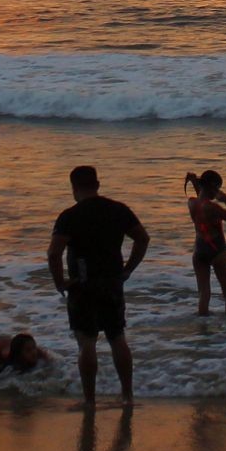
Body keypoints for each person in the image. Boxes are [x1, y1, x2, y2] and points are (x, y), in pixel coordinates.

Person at [48, 165, 149, 404]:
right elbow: (142, 239)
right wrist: (128, 270)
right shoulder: (118, 210)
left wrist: (59, 282)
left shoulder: (70, 216)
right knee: (117, 337)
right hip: (112, 281)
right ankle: (127, 395)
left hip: (82, 284)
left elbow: (54, 253)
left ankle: (90, 399)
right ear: (97, 184)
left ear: (74, 187)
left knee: (86, 342)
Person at [183, 168, 226, 315]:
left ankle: (203, 331)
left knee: (204, 294)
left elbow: (202, 198)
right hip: (216, 251)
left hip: (199, 252)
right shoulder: (214, 208)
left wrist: (194, 183)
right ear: (213, 187)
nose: (218, 192)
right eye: (217, 188)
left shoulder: (192, 203)